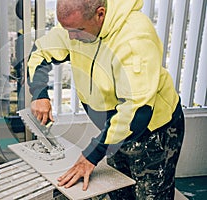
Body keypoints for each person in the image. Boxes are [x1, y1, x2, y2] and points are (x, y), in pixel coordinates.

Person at [27, 0, 185, 199]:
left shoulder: (134, 39)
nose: (70, 37)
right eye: (67, 29)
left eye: (77, 30)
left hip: (153, 131)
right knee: (119, 191)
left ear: (100, 14)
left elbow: (136, 110)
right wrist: (39, 93)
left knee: (151, 195)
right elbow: (40, 53)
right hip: (115, 128)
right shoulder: (77, 24)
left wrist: (93, 153)